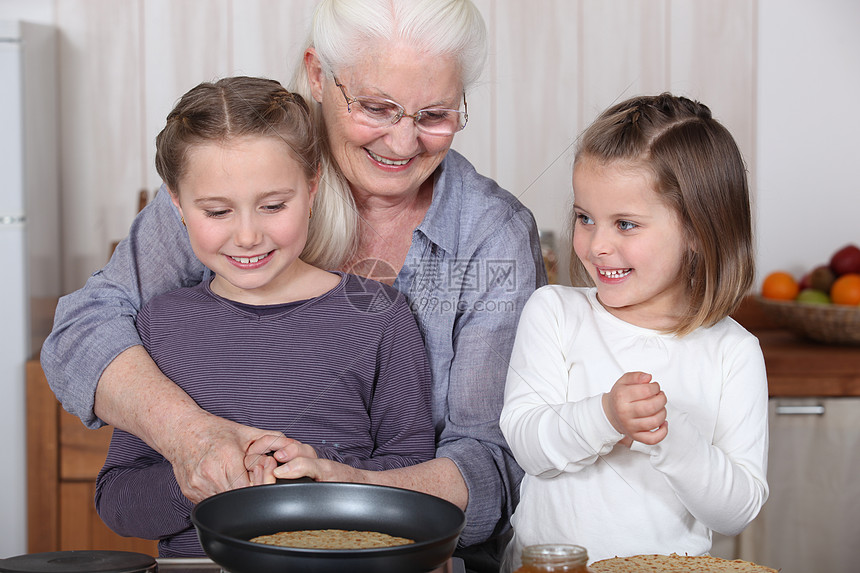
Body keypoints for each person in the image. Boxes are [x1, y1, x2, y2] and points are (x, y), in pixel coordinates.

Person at [41, 1, 546, 570]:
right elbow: (83, 330)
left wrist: (345, 488)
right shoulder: (232, 171)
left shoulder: (491, 234)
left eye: (435, 114)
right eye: (377, 107)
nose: (404, 144)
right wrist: (193, 441)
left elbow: (491, 464)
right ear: (316, 74)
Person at [94, 76, 436, 557]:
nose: (249, 235)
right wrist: (194, 479)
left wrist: (318, 471)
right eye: (217, 211)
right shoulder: (158, 325)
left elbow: (411, 472)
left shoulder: (380, 316)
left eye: (274, 205)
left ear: (313, 186)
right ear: (177, 204)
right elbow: (116, 501)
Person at [499, 93, 769, 567]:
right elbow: (526, 444)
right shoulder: (554, 313)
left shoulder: (733, 351)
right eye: (585, 218)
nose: (596, 244)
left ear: (697, 232)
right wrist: (605, 415)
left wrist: (671, 437)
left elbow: (738, 510)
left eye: (625, 224)